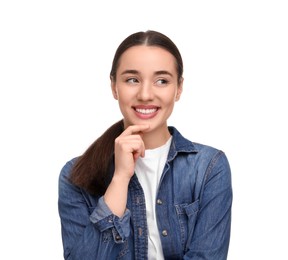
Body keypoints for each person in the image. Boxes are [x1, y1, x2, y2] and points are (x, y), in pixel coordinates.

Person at [58, 30, 233, 260]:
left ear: (178, 88)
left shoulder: (209, 168)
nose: (145, 94)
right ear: (114, 87)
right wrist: (120, 179)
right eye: (132, 79)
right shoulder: (76, 176)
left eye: (162, 81)